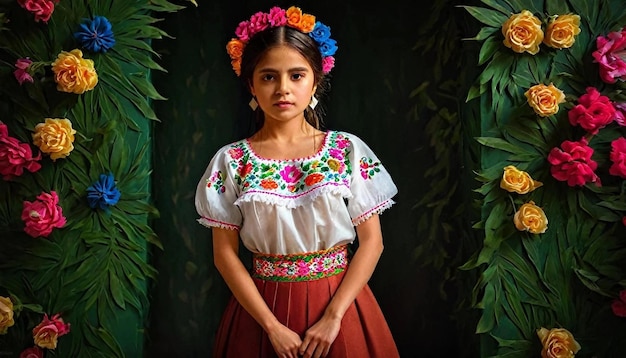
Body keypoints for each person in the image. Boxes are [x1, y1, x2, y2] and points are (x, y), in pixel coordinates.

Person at [195, 6, 400, 358]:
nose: (283, 89)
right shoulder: (232, 161)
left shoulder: (346, 150)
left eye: (297, 75)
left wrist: (334, 317)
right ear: (251, 84)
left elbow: (372, 243)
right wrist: (271, 327)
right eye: (269, 77)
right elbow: (225, 254)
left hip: (341, 306)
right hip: (262, 313)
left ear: (316, 80)